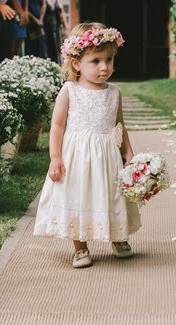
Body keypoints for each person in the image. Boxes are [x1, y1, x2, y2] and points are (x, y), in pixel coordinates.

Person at [33, 23, 140, 268]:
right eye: (96, 61)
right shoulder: (69, 90)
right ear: (76, 63)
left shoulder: (114, 93)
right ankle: (80, 247)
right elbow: (58, 126)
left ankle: (118, 236)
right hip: (77, 157)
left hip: (107, 156)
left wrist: (127, 151)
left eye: (109, 60)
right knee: (79, 197)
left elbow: (119, 124)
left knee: (112, 194)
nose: (105, 67)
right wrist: (55, 157)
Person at [42, 0, 68, 64]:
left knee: (57, 53)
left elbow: (61, 12)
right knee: (46, 53)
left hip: (56, 27)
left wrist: (66, 29)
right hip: (44, 27)